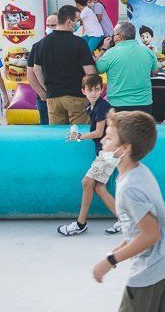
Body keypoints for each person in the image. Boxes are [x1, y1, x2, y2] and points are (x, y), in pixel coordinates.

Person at [91, 111, 165, 310]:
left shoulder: (130, 188)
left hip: (151, 272)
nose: (102, 141)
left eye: (108, 137)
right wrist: (119, 248)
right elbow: (137, 227)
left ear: (124, 149)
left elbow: (150, 234)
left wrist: (110, 260)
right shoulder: (139, 171)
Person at [57, 74, 119, 236]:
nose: (93, 93)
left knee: (86, 182)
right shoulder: (91, 107)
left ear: (101, 90)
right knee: (98, 187)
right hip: (108, 151)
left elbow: (99, 132)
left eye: (97, 90)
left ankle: (80, 224)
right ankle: (124, 221)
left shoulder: (102, 107)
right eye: (90, 90)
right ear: (83, 91)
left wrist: (79, 137)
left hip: (109, 152)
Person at [33, 5, 96, 125]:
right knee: (79, 134)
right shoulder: (79, 43)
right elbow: (90, 72)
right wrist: (92, 93)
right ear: (69, 22)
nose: (78, 24)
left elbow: (36, 70)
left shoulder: (43, 43)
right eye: (77, 21)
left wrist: (47, 89)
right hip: (77, 96)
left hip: (53, 98)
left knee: (58, 137)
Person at [96, 21, 158, 114]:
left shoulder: (110, 53)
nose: (113, 36)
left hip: (118, 105)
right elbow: (155, 72)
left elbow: (97, 69)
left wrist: (104, 48)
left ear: (120, 36)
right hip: (144, 104)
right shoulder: (148, 52)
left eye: (114, 34)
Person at [26, 15, 59, 125]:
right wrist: (42, 93)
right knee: (46, 128)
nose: (50, 28)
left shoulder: (68, 44)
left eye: (53, 25)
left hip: (64, 96)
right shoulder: (38, 46)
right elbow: (30, 73)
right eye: (48, 25)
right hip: (44, 97)